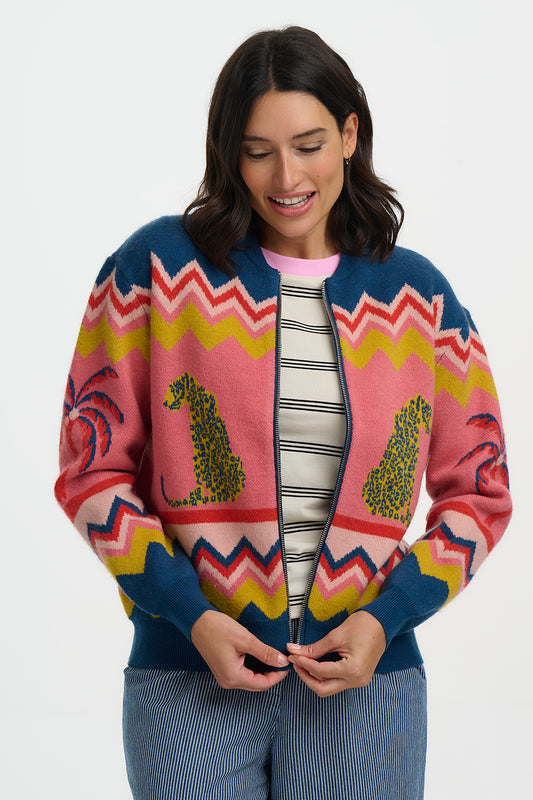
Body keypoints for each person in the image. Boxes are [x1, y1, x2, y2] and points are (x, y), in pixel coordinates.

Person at [55, 25, 512, 800]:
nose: (286, 175)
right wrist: (188, 615)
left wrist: (384, 620)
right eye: (257, 149)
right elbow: (90, 471)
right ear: (227, 150)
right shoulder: (155, 273)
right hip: (186, 680)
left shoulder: (420, 301)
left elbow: (479, 493)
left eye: (306, 143)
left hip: (364, 689)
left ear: (348, 134)